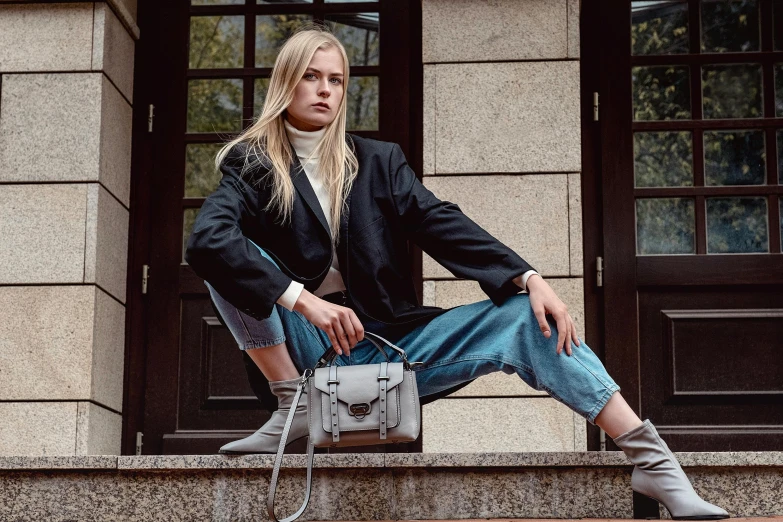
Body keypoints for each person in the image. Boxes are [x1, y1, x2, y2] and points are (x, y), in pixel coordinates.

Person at [184, 24, 729, 520]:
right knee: (225, 254)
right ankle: (291, 404)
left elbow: (438, 220)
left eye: (337, 80)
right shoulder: (251, 164)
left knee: (525, 318)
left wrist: (529, 278)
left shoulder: (375, 161)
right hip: (304, 351)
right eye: (311, 77)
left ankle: (651, 462)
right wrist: (305, 301)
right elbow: (208, 241)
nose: (326, 90)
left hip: (386, 343)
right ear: (286, 83)